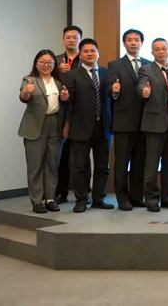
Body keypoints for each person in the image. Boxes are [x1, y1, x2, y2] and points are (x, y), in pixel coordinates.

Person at [62, 38, 114, 212]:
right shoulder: (72, 75)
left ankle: (99, 198)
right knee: (80, 167)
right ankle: (82, 199)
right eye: (85, 51)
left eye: (93, 51)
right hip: (80, 127)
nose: (89, 54)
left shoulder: (107, 73)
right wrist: (65, 98)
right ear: (80, 54)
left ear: (98, 53)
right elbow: (68, 101)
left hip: (104, 127)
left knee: (103, 166)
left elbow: (112, 97)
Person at [17, 50, 69, 213]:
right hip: (35, 126)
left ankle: (50, 199)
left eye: (50, 62)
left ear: (54, 65)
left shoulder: (59, 82)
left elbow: (64, 103)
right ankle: (37, 201)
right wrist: (26, 92)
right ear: (36, 63)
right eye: (42, 62)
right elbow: (24, 97)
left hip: (55, 124)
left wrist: (65, 98)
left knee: (52, 164)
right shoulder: (29, 80)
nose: (46, 65)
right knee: (35, 165)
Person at [106, 28, 150, 210]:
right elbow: (109, 89)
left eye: (137, 40)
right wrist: (114, 91)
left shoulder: (148, 64)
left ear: (141, 43)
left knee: (140, 162)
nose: (133, 43)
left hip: (145, 122)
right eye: (130, 40)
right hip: (124, 122)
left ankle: (137, 197)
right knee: (122, 163)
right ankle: (122, 198)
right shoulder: (115, 65)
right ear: (124, 43)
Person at [137, 38, 168, 212]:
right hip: (154, 124)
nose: (161, 51)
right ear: (152, 52)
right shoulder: (146, 70)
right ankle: (152, 200)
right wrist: (144, 92)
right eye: (157, 49)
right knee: (152, 165)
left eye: (164, 48)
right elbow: (141, 86)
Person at [53, 25, 82, 204]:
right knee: (61, 156)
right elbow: (47, 83)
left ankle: (83, 193)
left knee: (80, 157)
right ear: (63, 39)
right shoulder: (55, 60)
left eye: (75, 37)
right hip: (60, 113)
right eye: (68, 37)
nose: (71, 40)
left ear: (80, 39)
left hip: (81, 113)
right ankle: (60, 192)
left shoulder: (86, 58)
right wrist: (59, 73)